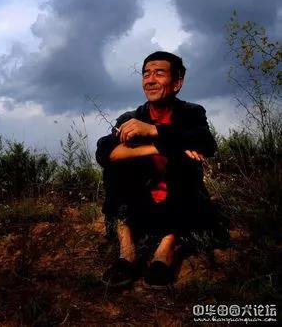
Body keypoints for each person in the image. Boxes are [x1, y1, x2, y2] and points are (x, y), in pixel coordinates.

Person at [96, 51, 227, 289]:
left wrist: (152, 131)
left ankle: (166, 248)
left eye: (159, 73)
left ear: (177, 82)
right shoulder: (131, 117)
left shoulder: (191, 113)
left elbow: (206, 143)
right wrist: (159, 148)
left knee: (186, 161)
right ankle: (127, 253)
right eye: (146, 74)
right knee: (117, 165)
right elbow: (105, 152)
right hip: (140, 205)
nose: (150, 79)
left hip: (179, 204)